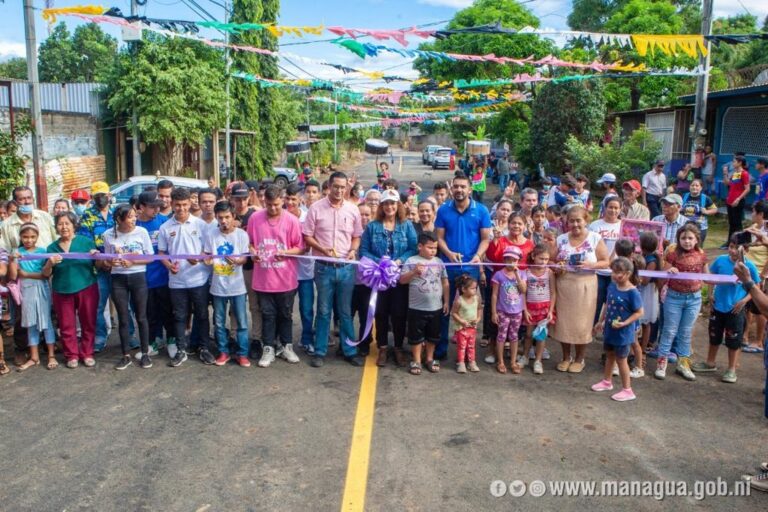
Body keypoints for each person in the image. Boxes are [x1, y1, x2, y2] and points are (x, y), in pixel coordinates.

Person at [303, 171, 364, 367]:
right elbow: (307, 236)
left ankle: (349, 350)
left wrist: (354, 250)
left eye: (342, 187)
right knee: (323, 310)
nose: (339, 190)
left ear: (347, 187)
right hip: (323, 268)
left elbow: (356, 236)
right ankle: (320, 351)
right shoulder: (315, 208)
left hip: (346, 268)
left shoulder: (353, 210)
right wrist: (322, 249)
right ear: (329, 186)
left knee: (345, 312)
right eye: (335, 186)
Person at [435, 174, 492, 360]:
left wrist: (477, 256)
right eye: (456, 186)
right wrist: (449, 254)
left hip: (471, 268)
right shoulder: (443, 210)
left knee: (470, 310)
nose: (459, 190)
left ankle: (469, 353)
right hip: (448, 267)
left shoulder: (482, 210)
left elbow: (485, 239)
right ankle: (440, 349)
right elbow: (439, 238)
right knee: (445, 308)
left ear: (470, 189)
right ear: (452, 188)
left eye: (463, 187)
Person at [0, 186, 58, 365]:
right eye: (21, 199)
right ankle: (22, 348)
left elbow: (55, 240)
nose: (26, 202)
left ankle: (49, 348)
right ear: (15, 202)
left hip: (48, 273)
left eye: (28, 198)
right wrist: (13, 268)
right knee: (21, 316)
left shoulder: (44, 217)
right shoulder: (7, 224)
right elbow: (3, 249)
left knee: (49, 313)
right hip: (20, 278)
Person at [248, 185, 304, 368]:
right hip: (264, 279)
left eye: (277, 205)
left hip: (286, 279)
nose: (273, 208)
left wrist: (287, 252)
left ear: (283, 201)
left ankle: (287, 346)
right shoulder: (255, 218)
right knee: (268, 315)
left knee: (286, 314)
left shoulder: (292, 220)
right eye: (269, 205)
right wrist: (253, 252)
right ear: (264, 201)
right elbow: (249, 243)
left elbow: (300, 247)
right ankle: (268, 348)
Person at [360, 190, 418, 367]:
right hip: (379, 278)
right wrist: (382, 262)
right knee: (381, 313)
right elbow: (363, 251)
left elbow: (413, 248)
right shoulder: (372, 226)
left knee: (399, 314)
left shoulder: (406, 225)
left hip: (400, 277)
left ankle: (398, 348)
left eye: (393, 203)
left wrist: (399, 261)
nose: (389, 207)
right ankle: (383, 348)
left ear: (398, 205)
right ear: (381, 206)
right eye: (386, 203)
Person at [158, 188, 214, 367]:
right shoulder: (165, 227)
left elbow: (208, 250)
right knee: (180, 315)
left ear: (190, 204)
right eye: (177, 205)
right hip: (177, 280)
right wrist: (169, 265)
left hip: (198, 279)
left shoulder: (200, 225)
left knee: (202, 314)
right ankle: (181, 350)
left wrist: (197, 258)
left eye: (184, 205)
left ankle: (204, 348)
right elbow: (161, 252)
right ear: (172, 205)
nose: (181, 209)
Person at [552, 205, 610, 373]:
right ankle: (565, 357)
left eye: (579, 220)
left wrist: (591, 264)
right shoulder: (561, 239)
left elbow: (606, 261)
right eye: (572, 221)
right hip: (564, 285)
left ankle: (579, 358)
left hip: (586, 285)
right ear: (566, 221)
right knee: (564, 322)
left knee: (582, 324)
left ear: (586, 220)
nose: (575, 224)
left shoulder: (594, 238)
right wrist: (558, 266)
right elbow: (552, 260)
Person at [692, 235, 758, 383]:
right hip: (718, 306)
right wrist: (710, 294)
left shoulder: (749, 266)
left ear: (745, 250)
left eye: (737, 248)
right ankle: (710, 362)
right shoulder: (721, 261)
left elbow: (756, 287)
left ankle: (731, 369)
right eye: (731, 246)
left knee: (734, 340)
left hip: (735, 309)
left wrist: (743, 301)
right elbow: (710, 277)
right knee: (714, 335)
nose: (733, 251)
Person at [43, 212, 103, 369]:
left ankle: (87, 353)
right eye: (60, 224)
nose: (64, 227)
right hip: (62, 290)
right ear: (56, 227)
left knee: (88, 321)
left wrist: (97, 257)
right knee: (66, 325)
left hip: (87, 287)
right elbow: (45, 274)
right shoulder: (51, 248)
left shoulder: (86, 242)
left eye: (67, 223)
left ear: (74, 225)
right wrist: (50, 263)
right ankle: (71, 355)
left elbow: (99, 267)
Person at [103, 204, 154, 371]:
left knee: (141, 316)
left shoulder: (142, 232)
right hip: (118, 279)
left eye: (134, 216)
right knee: (123, 318)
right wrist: (111, 261)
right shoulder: (108, 235)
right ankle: (125, 355)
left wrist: (133, 261)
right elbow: (108, 259)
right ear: (119, 219)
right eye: (130, 216)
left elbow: (150, 257)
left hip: (138, 276)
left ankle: (145, 353)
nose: (134, 219)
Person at [654, 223, 708, 381]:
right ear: (678, 239)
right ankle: (661, 362)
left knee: (685, 332)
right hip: (674, 297)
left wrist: (729, 279)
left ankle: (683, 364)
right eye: (683, 238)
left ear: (697, 239)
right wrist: (669, 271)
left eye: (690, 238)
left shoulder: (701, 255)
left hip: (694, 298)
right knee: (669, 330)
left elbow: (708, 276)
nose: (687, 241)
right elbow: (663, 273)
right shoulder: (673, 254)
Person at [205, 201, 251, 368]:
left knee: (241, 321)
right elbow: (207, 255)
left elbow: (246, 257)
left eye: (227, 217)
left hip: (237, 286)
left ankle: (242, 353)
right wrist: (207, 259)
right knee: (218, 321)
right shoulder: (211, 234)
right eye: (220, 218)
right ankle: (223, 352)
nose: (223, 221)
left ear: (233, 217)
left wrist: (239, 260)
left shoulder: (241, 235)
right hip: (218, 286)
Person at [591, 257, 644, 402]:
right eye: (613, 271)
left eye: (618, 272)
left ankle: (627, 390)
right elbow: (608, 304)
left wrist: (625, 323)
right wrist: (600, 321)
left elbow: (639, 312)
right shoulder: (612, 287)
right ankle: (607, 381)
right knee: (609, 355)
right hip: (610, 329)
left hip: (623, 332)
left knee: (621, 360)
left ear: (628, 273)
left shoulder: (633, 292)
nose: (614, 275)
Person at [8, 224, 56, 370]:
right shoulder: (17, 252)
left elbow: (45, 275)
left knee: (46, 321)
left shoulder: (42, 252)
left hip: (42, 288)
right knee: (31, 323)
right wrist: (12, 260)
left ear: (37, 236)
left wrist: (27, 274)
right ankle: (34, 357)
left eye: (32, 237)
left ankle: (51, 355)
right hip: (26, 289)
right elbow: (13, 275)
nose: (29, 240)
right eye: (25, 237)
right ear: (20, 237)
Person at [400, 232, 449, 375]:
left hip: (436, 307)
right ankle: (416, 360)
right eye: (430, 247)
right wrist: (414, 272)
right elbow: (402, 280)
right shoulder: (411, 260)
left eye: (435, 248)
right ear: (420, 246)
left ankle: (429, 358)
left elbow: (445, 282)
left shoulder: (439, 262)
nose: (433, 251)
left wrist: (446, 301)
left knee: (433, 335)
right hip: (416, 307)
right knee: (415, 336)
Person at [135, 191, 174, 358]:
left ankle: (172, 342)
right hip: (143, 279)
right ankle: (151, 343)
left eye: (158, 206)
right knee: (148, 314)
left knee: (168, 311)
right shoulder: (134, 226)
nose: (156, 210)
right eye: (152, 207)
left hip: (164, 277)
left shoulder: (164, 222)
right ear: (141, 207)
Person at [77, 180, 115, 353]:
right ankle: (100, 336)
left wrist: (112, 260)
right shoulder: (87, 215)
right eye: (98, 196)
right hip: (98, 267)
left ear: (109, 196)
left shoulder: (116, 213)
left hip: (119, 266)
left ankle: (129, 336)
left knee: (126, 305)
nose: (101, 199)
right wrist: (100, 260)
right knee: (98, 305)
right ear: (93, 198)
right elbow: (86, 241)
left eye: (104, 195)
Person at [230, 183, 262, 352]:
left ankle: (257, 338)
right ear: (232, 199)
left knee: (255, 305)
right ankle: (233, 336)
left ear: (249, 198)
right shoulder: (227, 216)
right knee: (235, 306)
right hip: (233, 269)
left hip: (251, 268)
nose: (241, 203)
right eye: (237, 199)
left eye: (244, 199)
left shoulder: (255, 215)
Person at [519, 244, 556, 375]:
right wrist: (525, 309)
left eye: (546, 259)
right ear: (533, 256)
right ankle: (525, 356)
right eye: (541, 258)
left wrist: (551, 310)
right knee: (528, 334)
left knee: (541, 335)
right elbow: (522, 293)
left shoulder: (549, 272)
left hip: (544, 308)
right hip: (530, 307)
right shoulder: (526, 272)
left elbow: (553, 292)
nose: (544, 262)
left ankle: (538, 361)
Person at [491, 246, 527, 374]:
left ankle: (512, 361)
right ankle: (500, 361)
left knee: (514, 336)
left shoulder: (522, 274)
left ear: (518, 261)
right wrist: (494, 312)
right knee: (501, 336)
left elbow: (523, 290)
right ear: (504, 260)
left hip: (517, 312)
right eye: (509, 260)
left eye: (515, 260)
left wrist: (517, 273)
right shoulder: (498, 275)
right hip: (502, 311)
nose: (512, 263)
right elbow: (494, 294)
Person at [589, 196, 623, 324]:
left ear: (620, 209)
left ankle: (608, 329)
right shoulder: (595, 225)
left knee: (613, 302)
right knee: (596, 301)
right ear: (605, 208)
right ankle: (591, 328)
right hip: (598, 271)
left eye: (616, 208)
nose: (613, 210)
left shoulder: (624, 226)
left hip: (617, 272)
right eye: (610, 207)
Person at [638, 232, 661, 370]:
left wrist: (636, 275)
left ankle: (643, 348)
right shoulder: (648, 257)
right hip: (645, 291)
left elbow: (645, 281)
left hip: (647, 293)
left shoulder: (651, 260)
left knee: (645, 322)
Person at [450, 274, 482, 374]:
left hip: (472, 328)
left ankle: (472, 362)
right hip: (461, 328)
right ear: (463, 289)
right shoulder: (459, 301)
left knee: (472, 346)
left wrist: (478, 319)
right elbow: (453, 313)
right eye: (472, 288)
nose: (475, 290)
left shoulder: (477, 298)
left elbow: (479, 309)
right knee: (461, 346)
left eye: (475, 288)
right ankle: (461, 362)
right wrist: (461, 321)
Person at [724, 155, 751, 244]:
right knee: (731, 223)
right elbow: (728, 183)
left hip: (738, 201)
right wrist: (725, 173)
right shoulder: (735, 173)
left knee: (737, 223)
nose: (733, 163)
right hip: (730, 200)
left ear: (740, 163)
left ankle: (739, 242)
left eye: (734, 161)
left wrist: (738, 199)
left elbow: (747, 189)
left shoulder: (744, 173)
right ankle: (730, 242)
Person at [681, 179, 717, 246]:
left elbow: (715, 209)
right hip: (685, 226)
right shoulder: (684, 196)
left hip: (700, 228)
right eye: (692, 185)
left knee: (698, 247)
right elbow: (676, 206)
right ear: (689, 187)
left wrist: (706, 212)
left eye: (697, 186)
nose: (694, 187)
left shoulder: (705, 198)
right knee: (685, 245)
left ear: (701, 188)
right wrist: (679, 209)